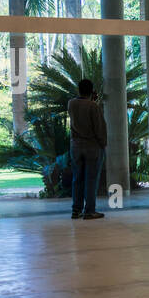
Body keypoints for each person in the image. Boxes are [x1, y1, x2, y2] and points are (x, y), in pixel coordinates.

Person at [68, 78, 107, 220]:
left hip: (75, 146)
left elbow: (80, 110)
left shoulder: (71, 104)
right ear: (91, 91)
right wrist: (103, 144)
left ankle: (76, 210)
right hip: (92, 146)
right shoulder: (93, 107)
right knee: (91, 179)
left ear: (79, 90)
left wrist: (91, 100)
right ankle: (89, 211)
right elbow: (99, 128)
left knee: (77, 178)